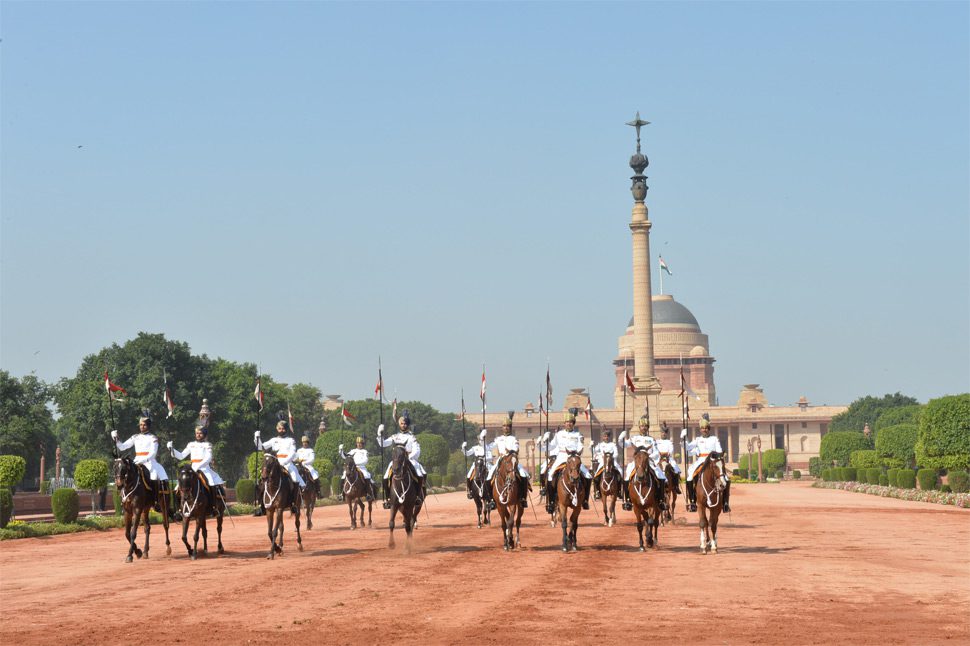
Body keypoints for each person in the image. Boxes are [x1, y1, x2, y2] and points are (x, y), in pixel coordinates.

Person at [112, 409, 173, 517]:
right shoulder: (135, 437)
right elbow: (122, 447)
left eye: (144, 425)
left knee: (154, 477)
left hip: (149, 463)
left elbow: (153, 454)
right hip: (136, 461)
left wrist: (142, 460)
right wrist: (116, 438)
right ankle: (124, 499)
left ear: (148, 426)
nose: (142, 427)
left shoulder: (153, 438)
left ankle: (155, 501)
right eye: (140, 425)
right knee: (125, 475)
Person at [168, 421, 226, 515]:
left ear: (204, 434)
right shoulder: (191, 444)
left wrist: (198, 466)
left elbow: (208, 458)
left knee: (211, 483)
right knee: (177, 488)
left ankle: (213, 507)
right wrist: (171, 449)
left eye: (200, 433)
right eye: (197, 433)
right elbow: (181, 456)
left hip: (204, 468)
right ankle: (179, 510)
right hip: (192, 468)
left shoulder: (208, 445)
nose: (198, 435)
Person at [254, 414, 305, 514]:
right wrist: (257, 438)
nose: (281, 430)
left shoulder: (291, 440)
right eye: (279, 428)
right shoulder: (274, 440)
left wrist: (285, 461)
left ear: (286, 429)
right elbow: (261, 447)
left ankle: (294, 503)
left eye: (283, 428)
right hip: (274, 463)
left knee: (294, 479)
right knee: (262, 479)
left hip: (287, 463)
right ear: (277, 429)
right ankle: (261, 505)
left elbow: (292, 453)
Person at [545, 408, 592, 513]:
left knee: (588, 476)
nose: (568, 424)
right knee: (549, 475)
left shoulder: (578, 435)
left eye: (570, 422)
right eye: (567, 422)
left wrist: (576, 452)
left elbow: (580, 447)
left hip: (574, 458)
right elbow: (551, 447)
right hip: (562, 457)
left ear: (573, 423)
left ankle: (585, 500)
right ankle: (551, 501)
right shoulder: (559, 434)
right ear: (564, 423)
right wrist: (545, 442)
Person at [377, 409, 426, 510]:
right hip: (396, 461)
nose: (403, 425)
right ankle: (388, 499)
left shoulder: (412, 437)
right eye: (402, 423)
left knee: (420, 474)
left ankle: (417, 496)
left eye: (405, 424)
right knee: (385, 477)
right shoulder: (395, 436)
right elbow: (383, 444)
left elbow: (417, 450)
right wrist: (379, 434)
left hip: (410, 459)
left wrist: (408, 457)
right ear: (400, 424)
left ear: (408, 425)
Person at [682, 415, 731, 512]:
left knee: (726, 479)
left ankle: (725, 503)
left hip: (712, 460)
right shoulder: (697, 439)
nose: (704, 430)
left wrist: (716, 455)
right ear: (700, 430)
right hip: (701, 460)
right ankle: (692, 501)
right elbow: (687, 448)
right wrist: (683, 438)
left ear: (709, 429)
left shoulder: (714, 439)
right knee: (690, 477)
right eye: (702, 428)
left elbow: (719, 450)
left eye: (706, 428)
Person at [619, 415, 668, 512]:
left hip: (648, 461)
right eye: (642, 426)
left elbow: (656, 452)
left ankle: (661, 500)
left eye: (646, 426)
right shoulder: (634, 438)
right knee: (627, 476)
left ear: (648, 427)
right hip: (637, 462)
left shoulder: (651, 439)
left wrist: (649, 457)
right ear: (639, 427)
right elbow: (623, 445)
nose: (644, 428)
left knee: (661, 476)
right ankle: (628, 500)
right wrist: (621, 438)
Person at [485, 412, 532, 509]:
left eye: (508, 426)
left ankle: (523, 498)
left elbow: (516, 448)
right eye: (504, 426)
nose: (506, 428)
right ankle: (491, 500)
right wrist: (482, 440)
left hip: (512, 460)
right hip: (501, 460)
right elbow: (489, 447)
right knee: (488, 477)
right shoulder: (498, 439)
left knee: (523, 475)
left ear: (510, 428)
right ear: (502, 428)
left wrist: (510, 451)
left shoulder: (514, 439)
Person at [339, 436, 376, 502]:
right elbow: (345, 456)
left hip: (361, 467)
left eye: (360, 443)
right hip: (352, 468)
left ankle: (368, 494)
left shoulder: (365, 451)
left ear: (362, 444)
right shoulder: (353, 451)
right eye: (358, 443)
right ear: (356, 444)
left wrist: (355, 463)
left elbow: (365, 460)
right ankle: (342, 494)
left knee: (366, 475)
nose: (359, 444)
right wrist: (341, 450)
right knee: (344, 475)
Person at [461, 428, 493, 502]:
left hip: (487, 464)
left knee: (493, 475)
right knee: (469, 475)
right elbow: (467, 454)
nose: (480, 441)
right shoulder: (475, 448)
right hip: (477, 464)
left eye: (482, 439)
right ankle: (470, 491)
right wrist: (463, 448)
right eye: (479, 440)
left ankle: (491, 491)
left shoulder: (488, 447)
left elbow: (490, 457)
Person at [592, 430, 622, 501]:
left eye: (607, 436)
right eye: (605, 436)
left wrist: (610, 457)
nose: (606, 437)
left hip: (612, 461)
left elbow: (616, 453)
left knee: (620, 474)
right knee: (596, 476)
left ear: (610, 437)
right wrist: (592, 446)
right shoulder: (600, 445)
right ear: (602, 437)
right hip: (603, 462)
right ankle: (597, 491)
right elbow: (595, 451)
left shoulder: (613, 444)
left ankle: (619, 491)